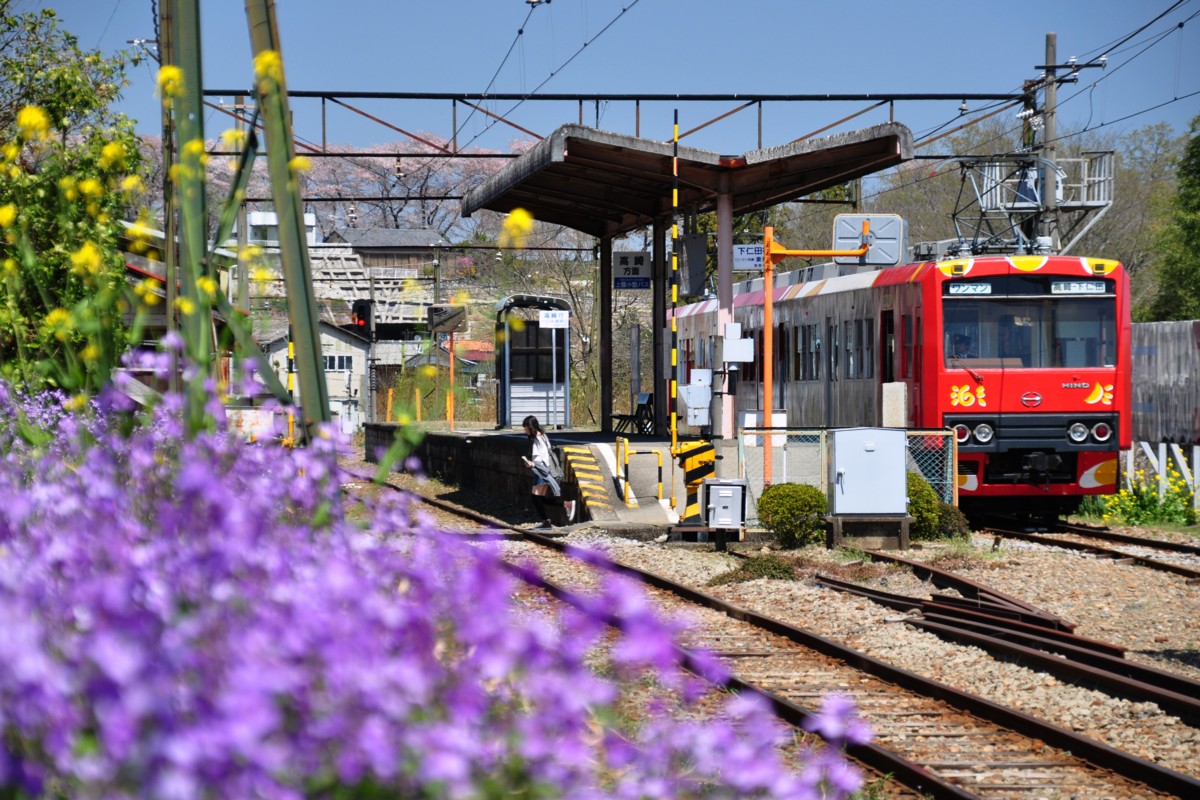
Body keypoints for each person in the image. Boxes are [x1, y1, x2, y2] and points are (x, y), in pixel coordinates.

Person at [521, 415, 575, 528]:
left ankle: (566, 505)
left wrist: (531, 463)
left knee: (535, 497)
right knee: (540, 498)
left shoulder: (537, 439)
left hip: (541, 471)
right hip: (547, 470)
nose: (525, 431)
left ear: (531, 427)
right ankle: (547, 520)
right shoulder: (543, 436)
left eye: (526, 428)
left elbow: (541, 458)